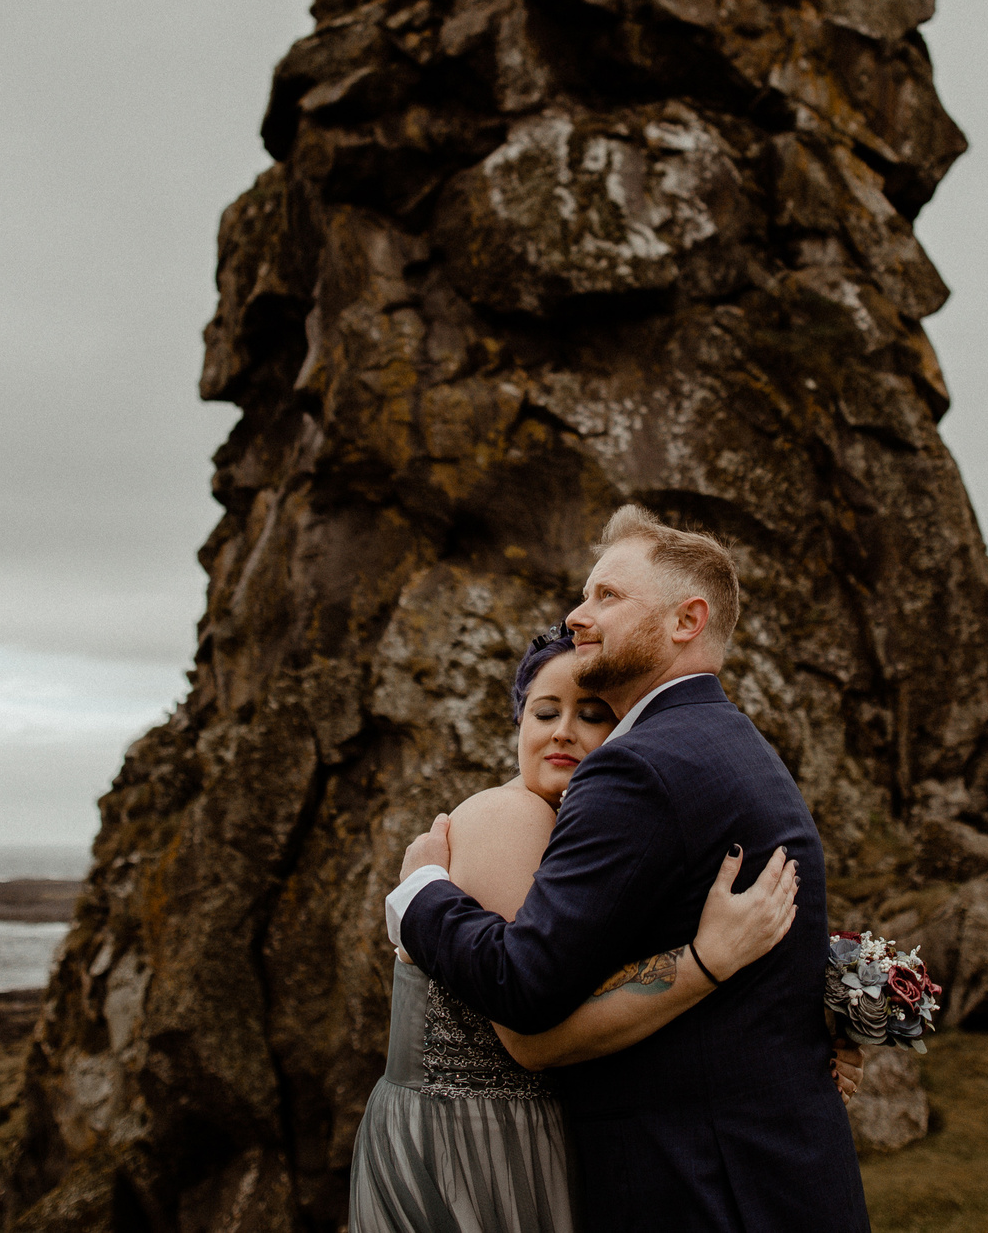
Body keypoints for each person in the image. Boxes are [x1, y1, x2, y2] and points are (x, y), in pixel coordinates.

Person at [389, 506, 871, 1232]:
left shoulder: (638, 768)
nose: (578, 615)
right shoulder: (733, 742)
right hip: (779, 1178)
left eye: (606, 596)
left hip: (705, 1190)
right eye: (585, 595)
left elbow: (524, 984)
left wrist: (420, 894)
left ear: (687, 620)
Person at [347, 624, 802, 1233]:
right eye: (544, 712)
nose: (562, 731)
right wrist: (706, 961)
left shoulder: (578, 836)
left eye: (590, 715)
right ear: (518, 724)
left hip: (524, 1135)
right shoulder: (511, 816)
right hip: (475, 1146)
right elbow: (529, 1034)